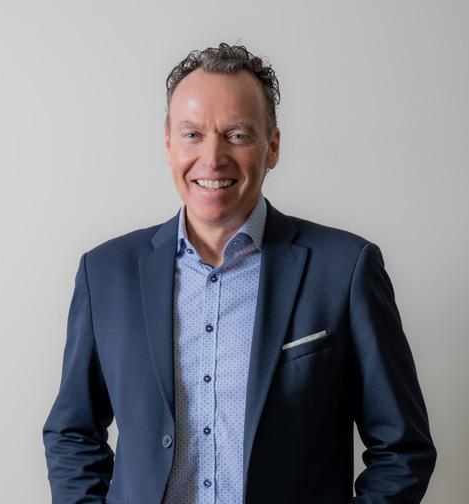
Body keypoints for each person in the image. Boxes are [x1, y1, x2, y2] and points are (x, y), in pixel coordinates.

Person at [43, 42, 436, 503]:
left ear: (272, 147)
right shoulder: (106, 273)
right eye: (192, 134)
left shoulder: (345, 269)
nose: (212, 158)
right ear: (168, 145)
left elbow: (402, 449)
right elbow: (72, 433)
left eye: (237, 134)